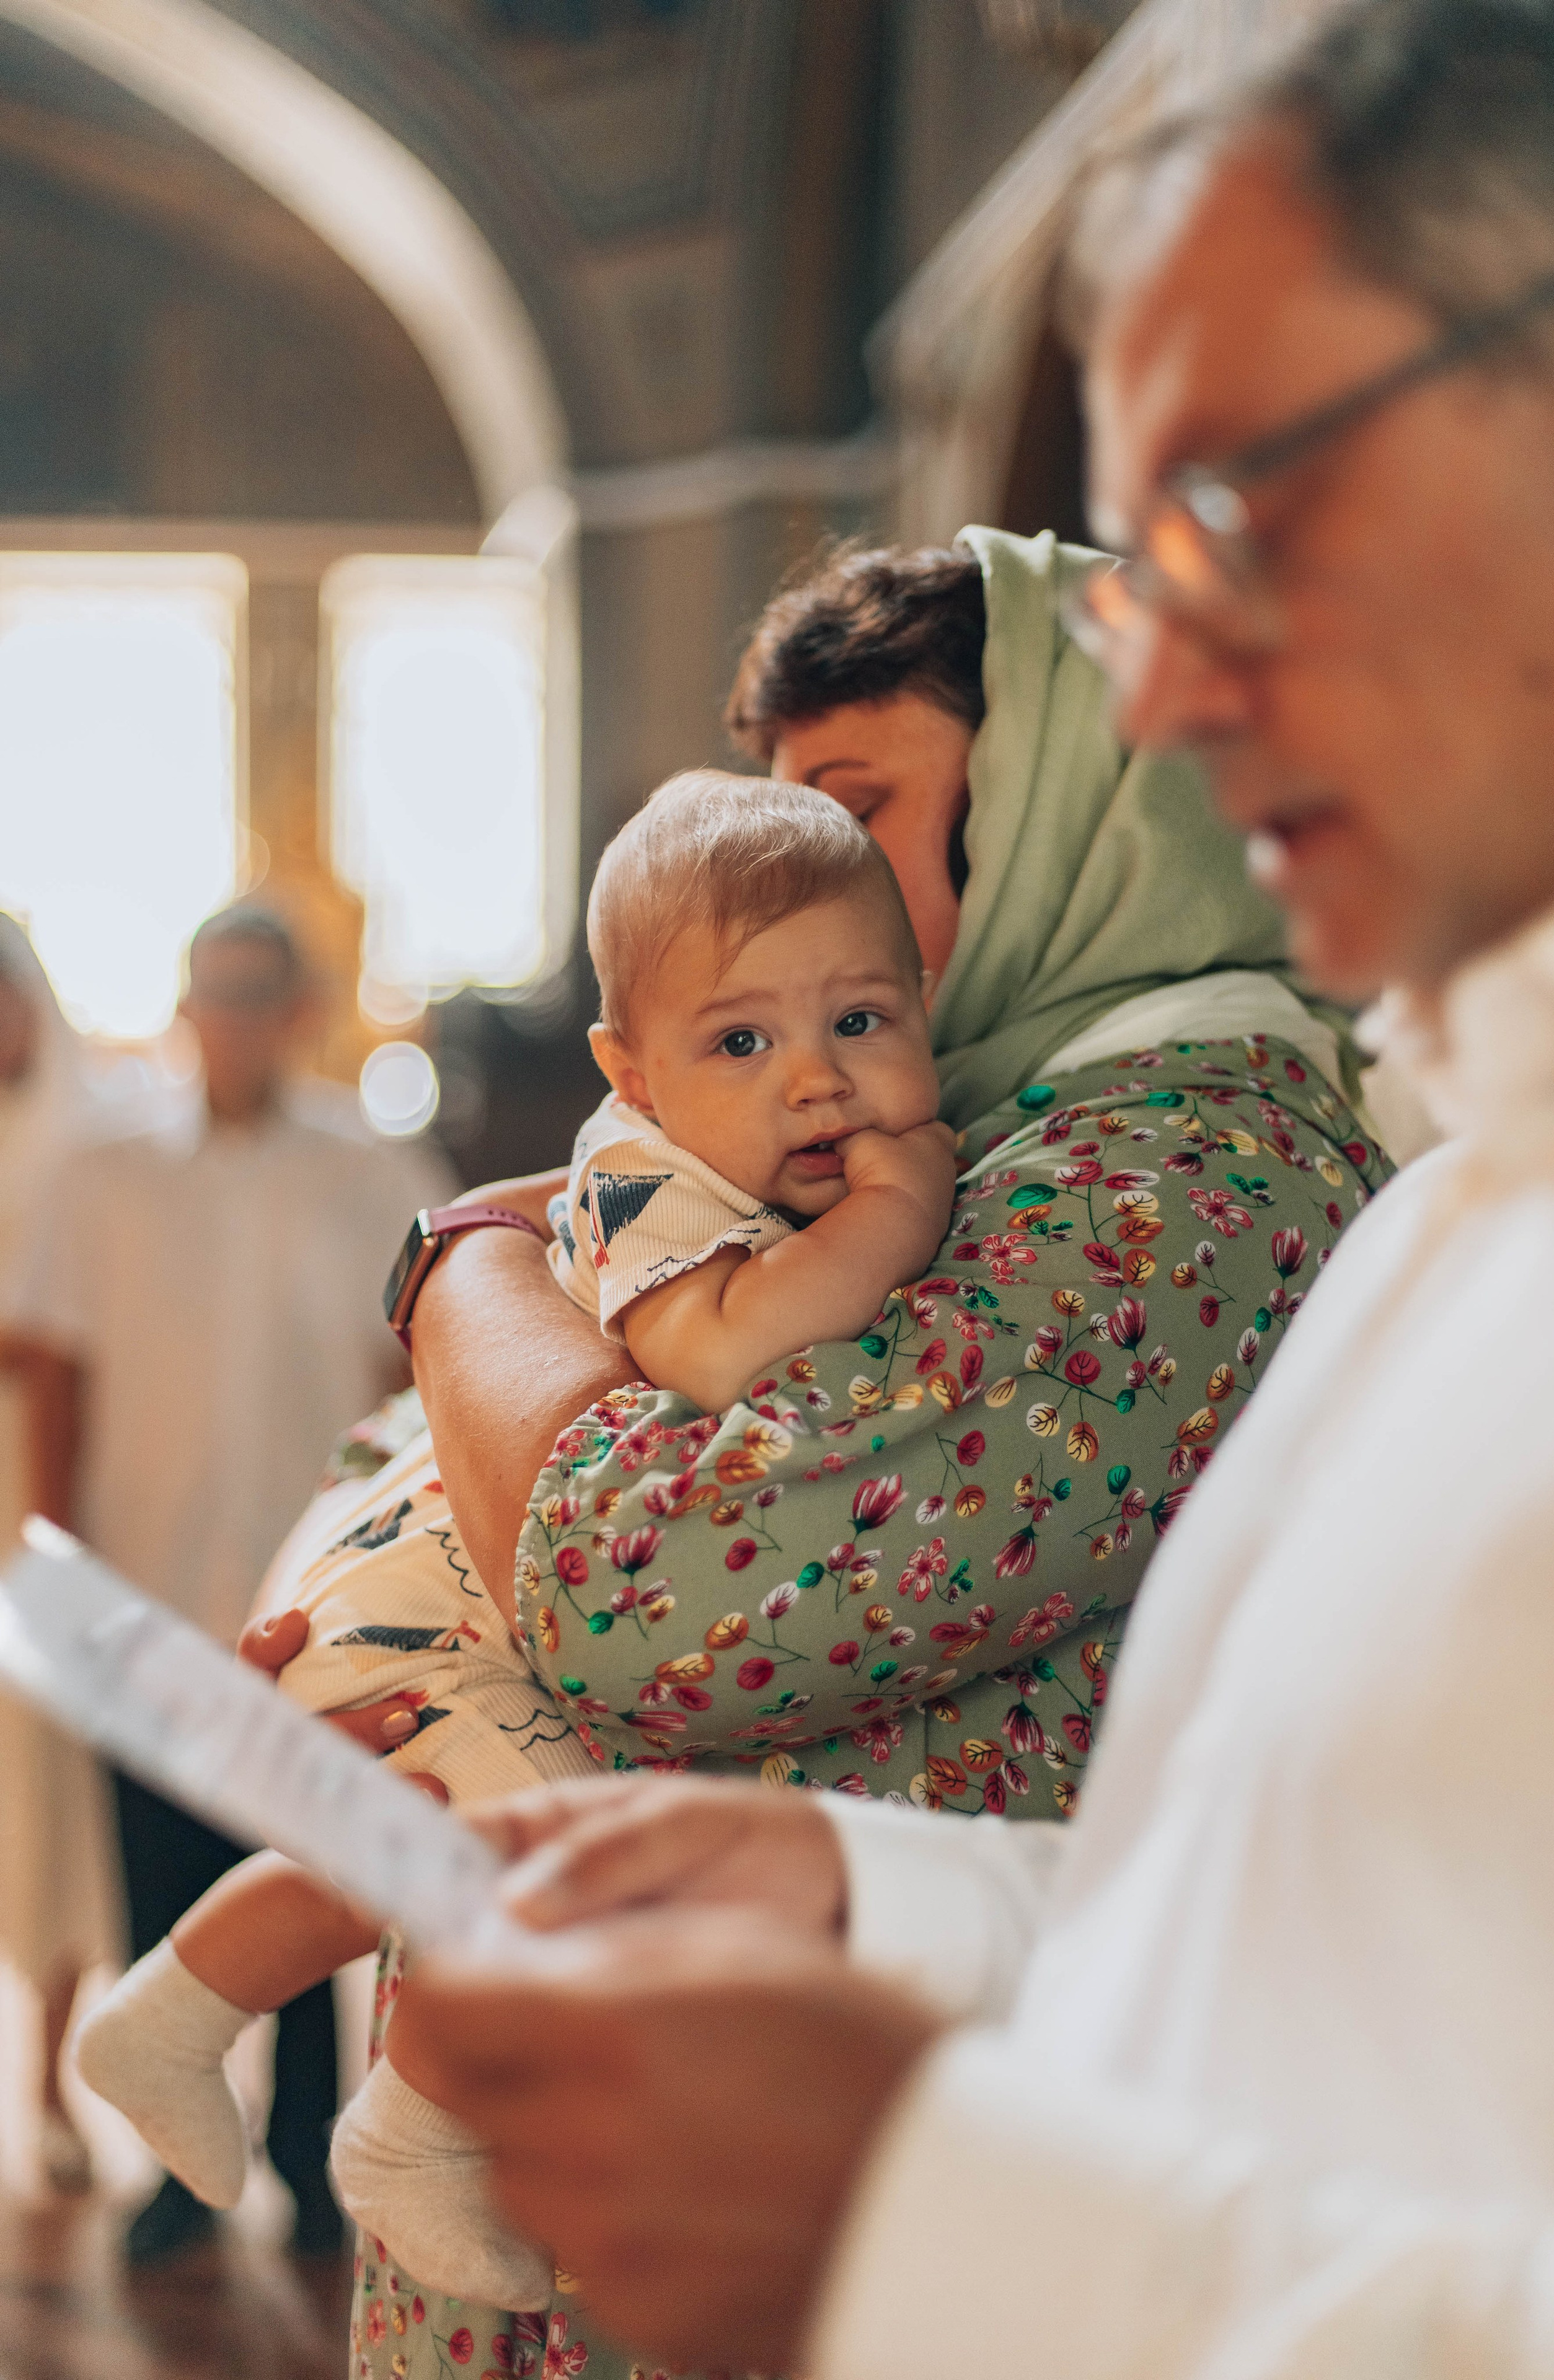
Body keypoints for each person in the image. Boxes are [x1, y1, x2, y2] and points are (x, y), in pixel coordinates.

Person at [381, 3, 1554, 2375]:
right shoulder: (1455, 1210)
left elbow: (661, 1581)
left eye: (1246, 510)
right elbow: (1321, 1948)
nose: (1170, 701)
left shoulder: (1209, 1164)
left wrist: (944, 2225)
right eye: (1140, 581)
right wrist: (873, 1897)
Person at [249, 527, 1392, 2373]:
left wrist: (467, 1259)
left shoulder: (1195, 1167)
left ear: (1069, 808)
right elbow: (421, 1471)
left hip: (843, 2197)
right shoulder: (934, 1128)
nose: (800, 907)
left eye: (856, 822)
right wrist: (372, 1630)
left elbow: (648, 1593)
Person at [73, 772, 951, 2309]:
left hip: (441, 1571)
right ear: (632, 1072)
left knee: (422, 1845)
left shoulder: (713, 1162)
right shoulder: (642, 1178)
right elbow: (722, 1351)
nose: (816, 1081)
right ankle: (408, 2132)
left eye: (860, 1022)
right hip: (425, 1583)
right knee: (539, 1844)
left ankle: (171, 2020)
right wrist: (897, 1214)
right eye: (742, 1043)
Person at [5, 902, 454, 2263]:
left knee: (310, 1872)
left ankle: (312, 2162)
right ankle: (171, 2179)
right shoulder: (103, 1175)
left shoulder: (373, 1170)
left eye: (263, 991)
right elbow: (59, 1375)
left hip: (311, 1587)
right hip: (143, 1573)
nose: (237, 1016)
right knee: (158, 1877)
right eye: (218, 990)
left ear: (299, 1009)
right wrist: (53, 1565)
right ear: (187, 1006)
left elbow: (418, 1374)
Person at [0, 917, 122, 2197]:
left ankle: (46, 2083)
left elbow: (66, 1344)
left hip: (25, 1476)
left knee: (46, 1790)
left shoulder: (83, 1143)